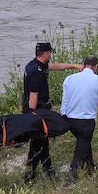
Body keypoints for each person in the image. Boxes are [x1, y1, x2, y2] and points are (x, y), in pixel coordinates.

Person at [22, 42, 81, 183]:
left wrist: (75, 66)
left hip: (36, 110)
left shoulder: (33, 65)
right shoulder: (37, 72)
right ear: (46, 53)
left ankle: (47, 171)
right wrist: (33, 116)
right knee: (37, 143)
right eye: (50, 53)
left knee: (42, 141)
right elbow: (33, 95)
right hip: (37, 111)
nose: (51, 55)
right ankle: (30, 177)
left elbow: (54, 66)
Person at [60, 56, 98, 182]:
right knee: (80, 150)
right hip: (86, 122)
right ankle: (73, 175)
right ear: (96, 67)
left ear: (83, 65)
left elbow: (64, 101)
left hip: (69, 120)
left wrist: (63, 117)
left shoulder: (69, 79)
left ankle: (91, 168)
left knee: (84, 142)